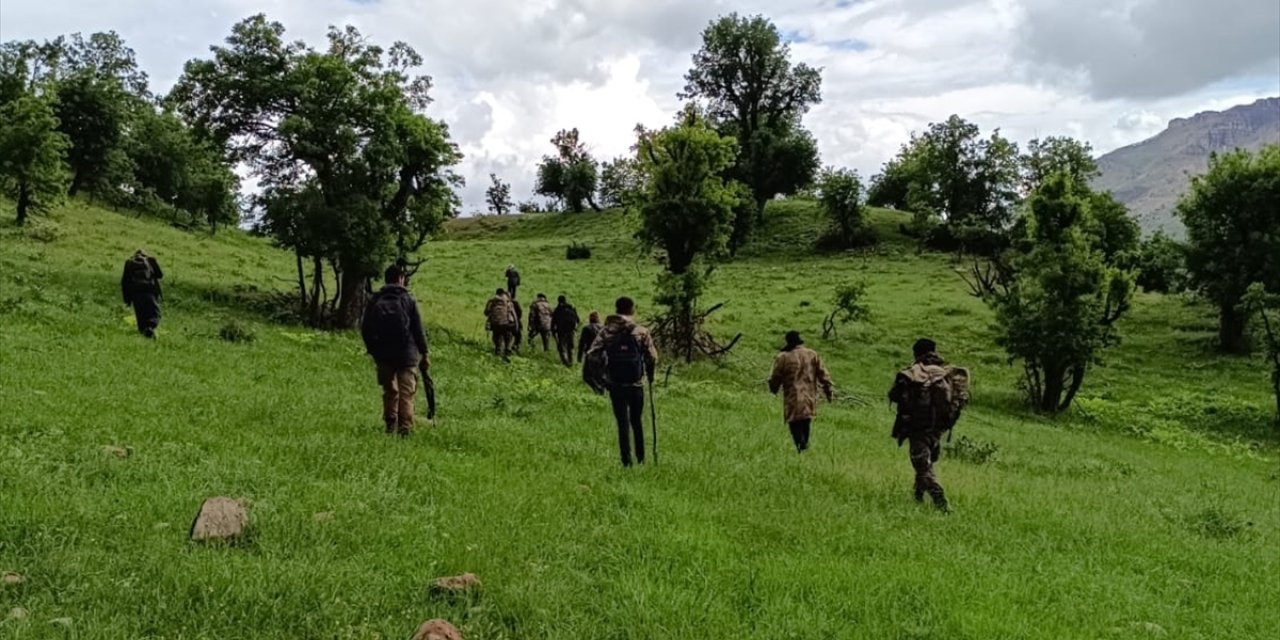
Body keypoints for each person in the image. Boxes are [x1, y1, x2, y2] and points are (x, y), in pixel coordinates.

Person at [888, 338, 967, 512]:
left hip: (917, 427)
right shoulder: (945, 374)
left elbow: (893, 395)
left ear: (917, 353)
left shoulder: (914, 373)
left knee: (923, 466)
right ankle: (917, 496)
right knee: (925, 462)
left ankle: (940, 500)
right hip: (939, 428)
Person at [587, 297, 658, 467]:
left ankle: (626, 461)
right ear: (631, 309)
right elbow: (652, 357)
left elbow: (592, 354)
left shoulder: (606, 331)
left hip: (616, 384)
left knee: (622, 423)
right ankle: (641, 458)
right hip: (636, 384)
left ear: (616, 309)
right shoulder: (641, 331)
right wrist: (650, 375)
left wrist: (602, 375)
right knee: (637, 421)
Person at [361, 264, 429, 436]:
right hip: (406, 354)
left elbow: (365, 328)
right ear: (401, 278)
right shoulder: (408, 299)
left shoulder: (376, 299)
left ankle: (390, 424)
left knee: (390, 390)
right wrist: (425, 353)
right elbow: (418, 329)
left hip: (383, 354)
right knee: (406, 392)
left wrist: (373, 349)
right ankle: (405, 428)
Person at [768, 331, 834, 453]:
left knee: (794, 423)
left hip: (793, 397)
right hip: (809, 396)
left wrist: (773, 389)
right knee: (805, 421)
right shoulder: (812, 354)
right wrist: (828, 391)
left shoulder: (783, 357)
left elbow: (775, 376)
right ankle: (804, 448)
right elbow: (824, 375)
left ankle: (802, 448)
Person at [121, 249, 164, 338]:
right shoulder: (150, 260)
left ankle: (144, 332)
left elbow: (125, 281)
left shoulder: (129, 263)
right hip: (150, 291)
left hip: (136, 293)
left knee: (140, 314)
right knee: (155, 313)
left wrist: (127, 299)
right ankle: (150, 329)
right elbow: (160, 275)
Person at [484, 288, 517, 357]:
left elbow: (486, 312)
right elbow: (513, 313)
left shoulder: (492, 301)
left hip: (495, 323)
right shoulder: (508, 301)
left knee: (496, 335)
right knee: (507, 335)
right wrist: (516, 325)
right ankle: (507, 349)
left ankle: (497, 349)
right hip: (506, 323)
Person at [551, 295, 581, 367]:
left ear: (558, 301)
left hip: (561, 331)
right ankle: (571, 361)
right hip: (571, 330)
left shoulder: (557, 309)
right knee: (570, 347)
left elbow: (553, 321)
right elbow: (578, 319)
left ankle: (565, 361)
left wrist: (553, 331)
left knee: (561, 347)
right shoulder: (571, 308)